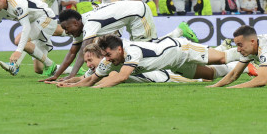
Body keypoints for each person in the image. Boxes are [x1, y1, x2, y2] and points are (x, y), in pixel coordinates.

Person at [43, 1, 197, 82]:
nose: (66, 32)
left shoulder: (90, 23)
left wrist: (71, 76)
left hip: (139, 13)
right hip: (131, 16)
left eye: (66, 28)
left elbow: (82, 52)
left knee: (149, 48)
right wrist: (57, 75)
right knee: (145, 49)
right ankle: (178, 33)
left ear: (75, 23)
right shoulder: (80, 26)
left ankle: (179, 32)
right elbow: (72, 52)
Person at [88, 34, 233, 88]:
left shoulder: (132, 51)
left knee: (222, 58)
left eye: (108, 55)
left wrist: (96, 88)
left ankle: (243, 55)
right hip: (175, 65)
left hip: (181, 49)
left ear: (119, 49)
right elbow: (89, 79)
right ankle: (240, 66)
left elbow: (122, 76)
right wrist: (75, 87)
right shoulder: (111, 61)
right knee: (210, 75)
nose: (107, 59)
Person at [53, 43, 203, 87]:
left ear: (102, 57)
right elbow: (84, 78)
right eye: (86, 62)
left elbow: (103, 80)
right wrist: (66, 82)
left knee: (200, 79)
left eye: (90, 60)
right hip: (159, 73)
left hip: (162, 77)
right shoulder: (101, 69)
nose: (88, 64)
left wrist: (80, 86)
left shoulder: (110, 67)